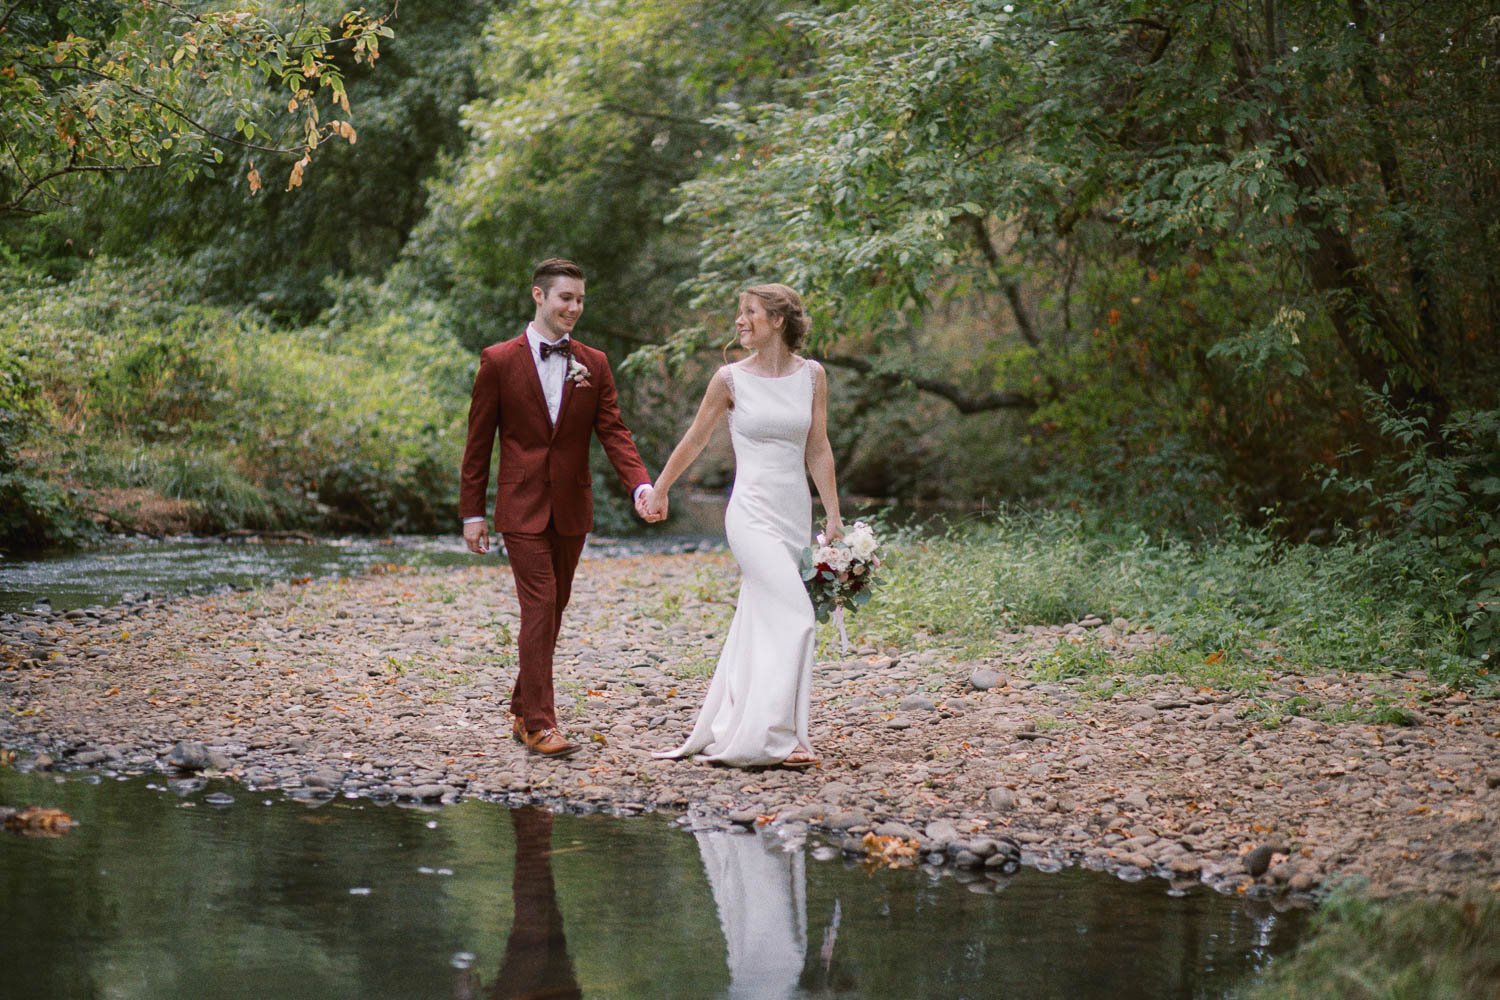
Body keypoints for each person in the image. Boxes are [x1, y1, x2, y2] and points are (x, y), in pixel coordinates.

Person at [460, 258, 661, 759]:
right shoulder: (499, 360)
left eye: (580, 300)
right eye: (565, 298)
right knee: (540, 604)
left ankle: (521, 704)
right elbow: (478, 442)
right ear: (538, 296)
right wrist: (472, 513)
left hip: (572, 505)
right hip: (520, 506)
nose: (574, 308)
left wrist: (640, 486)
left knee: (554, 610)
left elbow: (613, 432)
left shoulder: (593, 363)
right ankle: (539, 724)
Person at [647, 283, 841, 768]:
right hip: (750, 512)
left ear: (777, 320)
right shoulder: (729, 379)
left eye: (749, 312)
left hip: (793, 512)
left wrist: (833, 514)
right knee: (795, 614)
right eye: (740, 312)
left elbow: (817, 447)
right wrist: (662, 487)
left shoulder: (813, 376)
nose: (740, 320)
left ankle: (763, 725)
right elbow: (695, 439)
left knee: (763, 618)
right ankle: (773, 736)